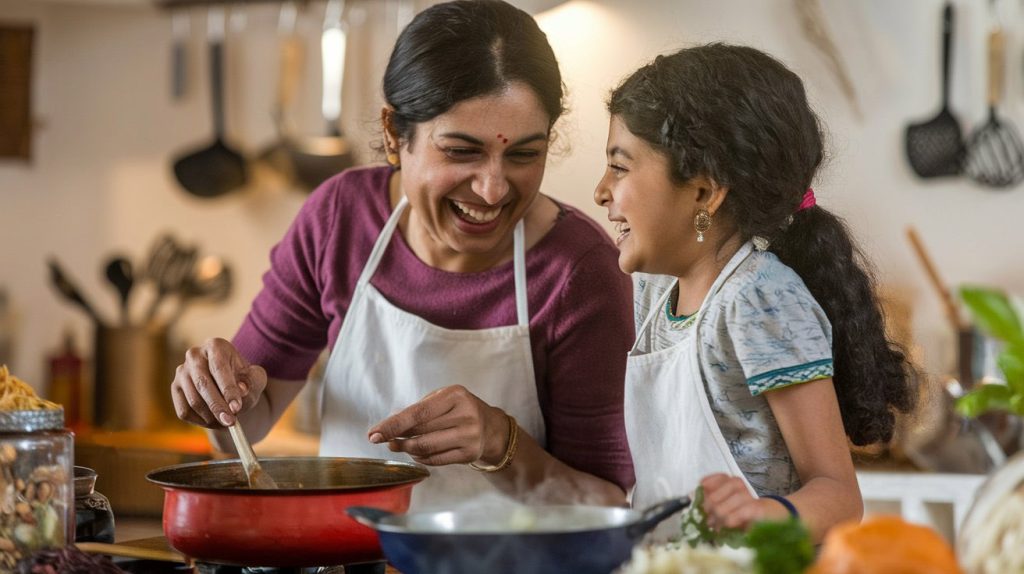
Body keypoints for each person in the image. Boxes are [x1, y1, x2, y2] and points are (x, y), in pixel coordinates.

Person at [171, 0, 634, 509]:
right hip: (350, 558)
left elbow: (607, 505)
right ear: (394, 134)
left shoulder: (581, 272)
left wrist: (501, 444)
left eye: (524, 153)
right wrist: (216, 400)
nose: (493, 188)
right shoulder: (339, 220)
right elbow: (247, 424)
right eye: (461, 151)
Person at [594, 43, 916, 542]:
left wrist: (760, 514)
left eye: (619, 167)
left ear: (704, 192)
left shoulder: (759, 299)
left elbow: (837, 495)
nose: (601, 190)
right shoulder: (654, 293)